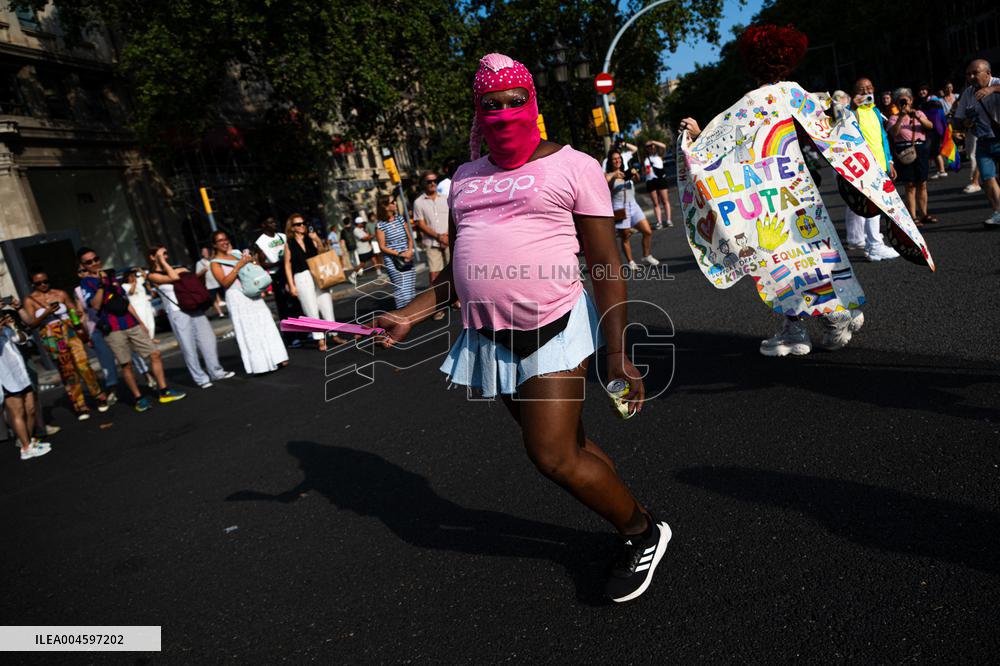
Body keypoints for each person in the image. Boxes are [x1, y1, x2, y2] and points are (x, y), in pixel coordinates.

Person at [375, 53, 668, 604]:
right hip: (487, 338)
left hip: (554, 328)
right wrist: (408, 314)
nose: (505, 113)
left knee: (552, 455)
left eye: (515, 102)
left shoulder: (572, 165)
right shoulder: (463, 178)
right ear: (478, 113)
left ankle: (642, 533)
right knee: (572, 442)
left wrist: (617, 350)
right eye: (492, 105)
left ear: (533, 105)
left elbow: (605, 264)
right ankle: (635, 512)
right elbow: (456, 271)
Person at [678, 24, 932, 358]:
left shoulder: (748, 104)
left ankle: (799, 327)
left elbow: (715, 147)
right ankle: (833, 312)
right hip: (801, 190)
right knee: (813, 253)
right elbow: (832, 128)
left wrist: (694, 134)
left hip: (766, 196)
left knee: (776, 260)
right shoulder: (797, 94)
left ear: (752, 63)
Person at [77, 247, 186, 412]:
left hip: (130, 322)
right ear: (83, 265)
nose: (94, 263)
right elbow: (95, 305)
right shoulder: (86, 283)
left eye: (96, 259)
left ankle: (164, 391)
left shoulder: (111, 275)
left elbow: (124, 300)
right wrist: (100, 284)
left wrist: (140, 321)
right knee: (126, 364)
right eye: (89, 262)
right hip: (112, 328)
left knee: (154, 354)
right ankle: (138, 398)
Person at [23, 270, 113, 419]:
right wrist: (47, 312)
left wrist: (76, 313)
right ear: (33, 283)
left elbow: (74, 310)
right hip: (51, 336)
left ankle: (99, 396)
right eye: (39, 283)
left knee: (83, 365)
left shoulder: (60, 293)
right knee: (67, 371)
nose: (43, 285)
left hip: (69, 331)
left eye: (46, 281)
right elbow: (31, 323)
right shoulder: (30, 300)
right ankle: (80, 405)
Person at [146, 246, 235, 389]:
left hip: (194, 306)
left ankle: (216, 371)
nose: (166, 256)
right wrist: (162, 263)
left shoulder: (177, 266)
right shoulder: (152, 275)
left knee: (208, 339)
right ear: (152, 257)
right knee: (188, 346)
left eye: (166, 253)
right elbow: (174, 278)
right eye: (162, 254)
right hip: (177, 311)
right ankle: (200, 378)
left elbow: (193, 280)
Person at [210, 231, 289, 373]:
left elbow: (252, 267)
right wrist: (238, 266)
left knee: (266, 323)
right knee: (249, 330)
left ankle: (278, 357)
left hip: (252, 293)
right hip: (236, 297)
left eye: (226, 239)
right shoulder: (214, 263)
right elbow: (225, 283)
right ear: (214, 245)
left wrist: (250, 260)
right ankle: (260, 365)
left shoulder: (235, 253)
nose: (224, 242)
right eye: (220, 240)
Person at [846, 77, 900, 261]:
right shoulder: (854, 111)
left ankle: (864, 241)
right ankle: (874, 245)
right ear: (855, 93)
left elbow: (883, 138)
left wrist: (889, 161)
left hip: (880, 165)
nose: (867, 92)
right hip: (863, 166)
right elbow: (841, 119)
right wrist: (852, 105)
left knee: (870, 204)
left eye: (869, 88)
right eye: (862, 89)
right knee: (874, 205)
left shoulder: (875, 111)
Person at [283, 213, 345, 351]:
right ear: (292, 227)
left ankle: (334, 334)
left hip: (317, 274)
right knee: (311, 309)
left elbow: (322, 252)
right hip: (302, 277)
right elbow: (287, 265)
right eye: (298, 224)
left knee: (326, 304)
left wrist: (317, 239)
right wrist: (291, 285)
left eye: (303, 223)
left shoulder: (310, 238)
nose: (302, 226)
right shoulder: (289, 244)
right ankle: (320, 340)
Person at [952, 59, 1000, 227]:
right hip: (984, 140)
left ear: (988, 73)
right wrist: (963, 124)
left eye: (975, 73)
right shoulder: (968, 93)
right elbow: (957, 120)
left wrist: (992, 89)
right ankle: (998, 212)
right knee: (987, 178)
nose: (971, 77)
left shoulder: (997, 83)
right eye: (968, 74)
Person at [0, 306, 50, 460]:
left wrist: (12, 326)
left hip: (20, 374)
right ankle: (26, 447)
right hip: (6, 378)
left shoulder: (6, 330)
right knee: (18, 412)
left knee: (30, 408)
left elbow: (21, 340)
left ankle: (30, 441)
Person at [888, 88, 937, 226]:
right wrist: (900, 117)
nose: (904, 103)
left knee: (922, 183)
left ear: (911, 100)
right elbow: (893, 133)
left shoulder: (919, 113)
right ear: (897, 103)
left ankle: (924, 214)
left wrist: (917, 117)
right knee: (909, 185)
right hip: (904, 151)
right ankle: (913, 216)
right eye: (900, 101)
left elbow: (930, 126)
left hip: (920, 149)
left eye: (906, 100)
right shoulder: (893, 117)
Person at [605, 148, 659, 270]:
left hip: (633, 206)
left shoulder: (625, 172)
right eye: (614, 159)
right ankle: (630, 262)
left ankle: (646, 255)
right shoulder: (608, 175)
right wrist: (615, 175)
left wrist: (635, 173)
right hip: (619, 208)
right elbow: (605, 180)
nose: (617, 160)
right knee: (625, 236)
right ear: (610, 161)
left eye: (619, 158)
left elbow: (637, 180)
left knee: (647, 231)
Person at [254, 215, 302, 346]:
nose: (274, 223)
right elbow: (262, 263)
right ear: (263, 225)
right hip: (277, 276)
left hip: (289, 272)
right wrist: (279, 262)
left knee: (296, 303)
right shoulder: (260, 242)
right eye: (270, 222)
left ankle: (303, 332)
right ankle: (290, 337)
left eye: (274, 221)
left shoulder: (282, 236)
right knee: (284, 307)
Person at [375, 195, 417, 309]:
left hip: (407, 256)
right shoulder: (380, 225)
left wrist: (409, 251)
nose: (395, 204)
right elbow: (382, 247)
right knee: (401, 288)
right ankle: (403, 314)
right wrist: (399, 254)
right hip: (393, 260)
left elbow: (410, 237)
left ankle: (413, 314)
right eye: (392, 202)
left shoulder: (400, 219)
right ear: (385, 206)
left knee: (410, 286)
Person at [917, 83, 949, 180]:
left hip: (935, 129)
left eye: (924, 90)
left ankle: (942, 170)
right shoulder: (924, 101)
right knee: (934, 151)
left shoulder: (933, 99)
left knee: (935, 150)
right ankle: (940, 170)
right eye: (920, 90)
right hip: (930, 129)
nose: (922, 92)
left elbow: (937, 115)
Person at [641, 140, 673, 228]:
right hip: (650, 180)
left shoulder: (659, 155)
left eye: (652, 146)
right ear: (646, 149)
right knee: (656, 203)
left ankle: (668, 220)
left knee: (665, 201)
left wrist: (653, 142)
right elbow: (643, 172)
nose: (651, 147)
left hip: (660, 179)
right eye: (648, 146)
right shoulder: (645, 158)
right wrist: (645, 171)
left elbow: (663, 146)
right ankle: (659, 222)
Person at [196, 246, 225, 317]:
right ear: (202, 254)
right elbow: (197, 275)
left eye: (206, 251)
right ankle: (220, 313)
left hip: (218, 282)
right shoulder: (199, 263)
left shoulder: (213, 260)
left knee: (224, 296)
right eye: (204, 252)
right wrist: (203, 271)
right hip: (209, 285)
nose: (205, 253)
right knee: (213, 299)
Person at [366, 212, 386, 276]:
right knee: (377, 254)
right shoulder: (368, 225)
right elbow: (367, 234)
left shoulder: (378, 222)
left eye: (373, 216)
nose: (373, 217)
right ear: (369, 217)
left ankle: (384, 264)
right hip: (374, 241)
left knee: (383, 253)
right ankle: (379, 268)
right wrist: (369, 242)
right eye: (371, 216)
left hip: (381, 240)